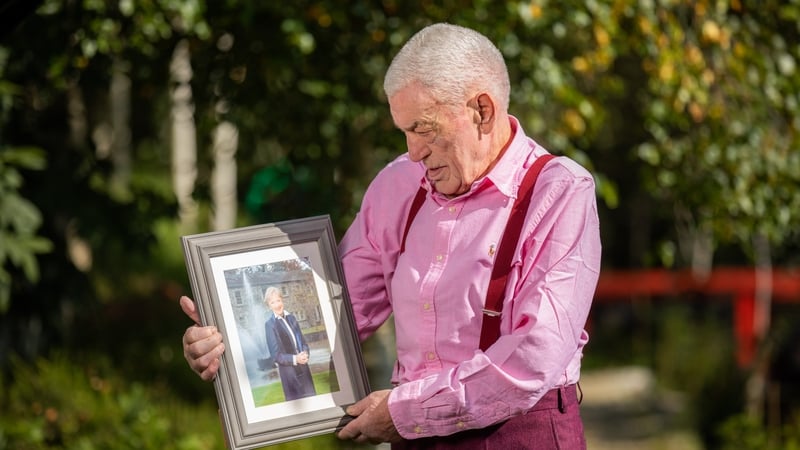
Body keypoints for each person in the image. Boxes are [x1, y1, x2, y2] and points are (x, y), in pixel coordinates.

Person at [181, 22, 601, 449]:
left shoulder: (559, 191)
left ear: (482, 111)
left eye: (424, 128)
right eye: (404, 130)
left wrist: (405, 412)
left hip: (520, 434)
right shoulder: (398, 183)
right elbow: (336, 311)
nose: (414, 150)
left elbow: (534, 357)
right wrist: (233, 343)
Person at [262, 286, 317, 401]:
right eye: (273, 302)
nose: (277, 305)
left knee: (314, 404)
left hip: (304, 372)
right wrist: (296, 359)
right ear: (269, 305)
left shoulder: (292, 318)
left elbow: (303, 342)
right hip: (290, 376)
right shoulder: (270, 325)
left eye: (278, 300)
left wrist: (305, 353)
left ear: (282, 300)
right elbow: (276, 356)